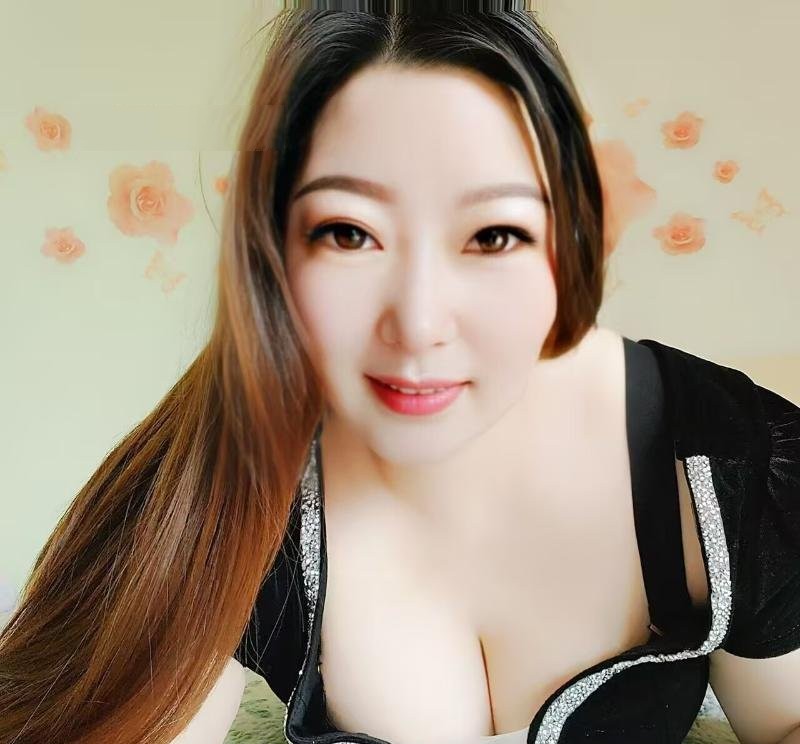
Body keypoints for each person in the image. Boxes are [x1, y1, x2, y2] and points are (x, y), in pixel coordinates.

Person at [2, 3, 799, 744]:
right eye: (350, 233)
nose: (419, 323)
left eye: (491, 234)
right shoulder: (210, 493)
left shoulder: (732, 460)